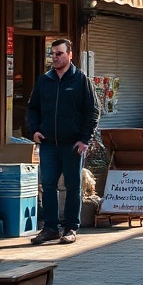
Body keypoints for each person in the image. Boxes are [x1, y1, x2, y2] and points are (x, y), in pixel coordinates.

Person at [26, 38, 100, 245]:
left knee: (73, 186)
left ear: (70, 54)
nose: (55, 57)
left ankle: (71, 228)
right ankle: (50, 228)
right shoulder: (44, 80)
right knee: (48, 185)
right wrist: (35, 130)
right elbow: (33, 108)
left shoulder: (81, 80)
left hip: (72, 145)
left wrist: (85, 139)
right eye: (53, 54)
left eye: (59, 53)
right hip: (48, 144)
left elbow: (93, 112)